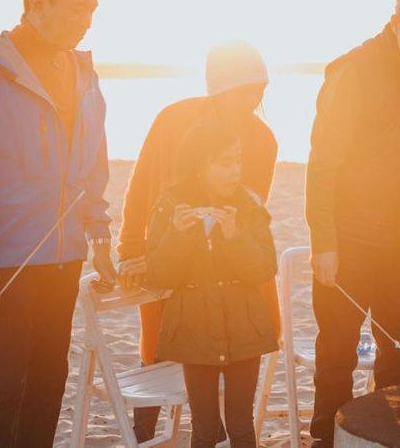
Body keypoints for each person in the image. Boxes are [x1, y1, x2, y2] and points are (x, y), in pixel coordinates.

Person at [0, 0, 116, 446]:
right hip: (6, 260)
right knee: (2, 384)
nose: (87, 21)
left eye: (93, 10)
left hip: (66, 255)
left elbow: (93, 164)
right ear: (36, 3)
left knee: (49, 380)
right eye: (77, 8)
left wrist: (99, 232)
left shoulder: (83, 73)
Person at [305, 0, 400, 445]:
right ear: (395, 24)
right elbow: (322, 162)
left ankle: (385, 440)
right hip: (348, 241)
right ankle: (326, 439)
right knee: (336, 357)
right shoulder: (355, 72)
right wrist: (323, 243)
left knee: (399, 351)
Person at [116, 41, 279, 441]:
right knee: (156, 346)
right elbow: (140, 187)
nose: (253, 99)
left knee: (231, 342)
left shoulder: (263, 139)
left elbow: (252, 210)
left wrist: (226, 238)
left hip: (224, 261)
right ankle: (145, 434)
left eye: (260, 89)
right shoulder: (174, 119)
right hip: (167, 248)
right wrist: (131, 248)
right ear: (218, 88)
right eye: (245, 90)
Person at [146, 120, 278, 447]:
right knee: (203, 427)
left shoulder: (249, 205)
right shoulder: (170, 205)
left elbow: (264, 268)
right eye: (225, 162)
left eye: (238, 161)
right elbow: (160, 276)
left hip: (244, 329)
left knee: (241, 424)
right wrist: (177, 236)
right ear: (200, 165)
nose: (236, 171)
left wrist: (236, 238)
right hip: (194, 331)